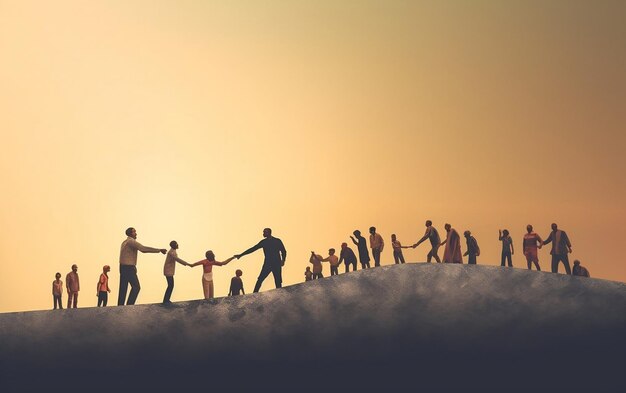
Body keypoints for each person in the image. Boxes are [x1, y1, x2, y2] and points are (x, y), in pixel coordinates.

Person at [118, 227, 167, 306]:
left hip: (123, 267)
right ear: (130, 233)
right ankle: (129, 306)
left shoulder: (124, 242)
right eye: (134, 232)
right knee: (136, 287)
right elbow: (143, 249)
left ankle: (120, 307)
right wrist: (159, 250)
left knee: (123, 288)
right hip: (129, 268)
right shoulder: (131, 241)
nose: (136, 233)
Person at [235, 228, 287, 293]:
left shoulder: (277, 241)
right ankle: (254, 294)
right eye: (263, 232)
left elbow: (283, 251)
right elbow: (253, 249)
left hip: (276, 263)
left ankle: (279, 294)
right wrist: (241, 255)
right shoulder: (264, 242)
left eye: (265, 232)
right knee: (260, 279)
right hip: (268, 263)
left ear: (269, 233)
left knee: (278, 280)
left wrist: (283, 260)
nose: (263, 234)